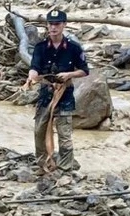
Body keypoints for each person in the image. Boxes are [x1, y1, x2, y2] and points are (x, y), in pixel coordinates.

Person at [26, 9, 90, 174]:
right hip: (45, 94)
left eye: (57, 24)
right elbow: (34, 68)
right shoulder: (40, 47)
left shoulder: (73, 48)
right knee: (39, 130)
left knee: (64, 135)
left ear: (64, 25)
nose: (53, 27)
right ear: (47, 25)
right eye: (50, 24)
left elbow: (84, 70)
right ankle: (43, 164)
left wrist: (69, 74)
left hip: (65, 94)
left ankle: (65, 168)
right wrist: (31, 78)